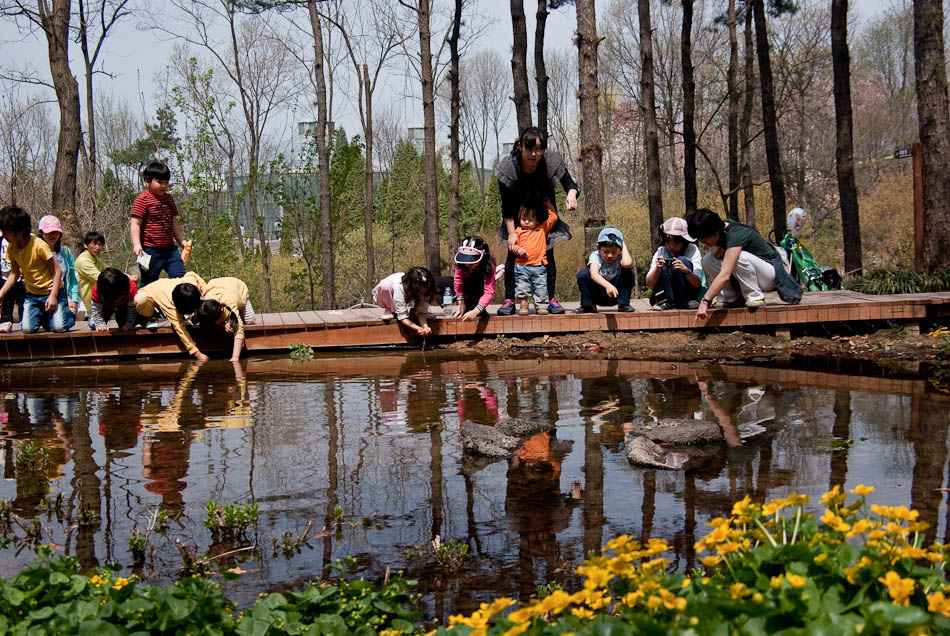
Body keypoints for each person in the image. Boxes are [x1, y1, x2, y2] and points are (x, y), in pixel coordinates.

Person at [495, 127, 577, 316]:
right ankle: (510, 299)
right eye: (529, 148)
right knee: (512, 255)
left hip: (543, 214)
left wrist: (571, 195)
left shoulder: (550, 161)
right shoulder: (508, 167)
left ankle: (549, 299)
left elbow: (570, 185)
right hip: (517, 216)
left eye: (539, 149)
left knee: (547, 254)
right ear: (520, 146)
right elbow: (506, 206)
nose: (534, 153)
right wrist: (511, 233)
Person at [687, 208, 802, 322]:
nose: (702, 241)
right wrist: (714, 247)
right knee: (707, 259)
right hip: (751, 273)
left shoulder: (736, 234)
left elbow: (725, 274)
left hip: (771, 274)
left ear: (716, 231)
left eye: (704, 237)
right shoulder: (722, 227)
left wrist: (705, 301)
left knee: (739, 257)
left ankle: (754, 296)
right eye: (699, 238)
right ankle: (728, 297)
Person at [0, 206, 73, 334]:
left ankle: (69, 315)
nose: (4, 235)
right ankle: (45, 316)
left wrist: (53, 296)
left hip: (52, 290)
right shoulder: (11, 248)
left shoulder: (38, 245)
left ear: (20, 230)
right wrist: (1, 293)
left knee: (58, 328)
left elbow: (58, 271)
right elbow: (14, 274)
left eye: (7, 232)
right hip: (32, 294)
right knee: (28, 329)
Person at [130, 161, 187, 287]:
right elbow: (135, 224)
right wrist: (137, 244)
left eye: (166, 182)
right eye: (159, 182)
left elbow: (173, 222)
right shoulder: (142, 200)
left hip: (170, 249)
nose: (163, 186)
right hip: (150, 250)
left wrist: (181, 241)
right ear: (147, 181)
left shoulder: (169, 199)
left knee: (181, 278)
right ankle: (143, 305)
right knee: (148, 282)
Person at [134, 271, 210, 360]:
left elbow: (191, 274)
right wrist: (197, 354)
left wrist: (205, 290)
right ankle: (149, 317)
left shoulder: (190, 283)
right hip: (147, 299)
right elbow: (181, 330)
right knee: (141, 299)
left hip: (172, 294)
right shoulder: (170, 306)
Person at [512, 195, 559, 315]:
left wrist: (548, 205)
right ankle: (523, 305)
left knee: (541, 287)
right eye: (523, 219)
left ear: (537, 220)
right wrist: (518, 249)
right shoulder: (517, 231)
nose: (526, 222)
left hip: (539, 265)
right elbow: (511, 245)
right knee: (522, 287)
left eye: (530, 219)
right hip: (522, 266)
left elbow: (553, 218)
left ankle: (541, 306)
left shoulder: (542, 228)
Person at [644, 217, 703, 310]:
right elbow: (649, 283)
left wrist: (686, 271)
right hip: (664, 294)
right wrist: (658, 269)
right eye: (668, 242)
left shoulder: (693, 250)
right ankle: (664, 301)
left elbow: (697, 283)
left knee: (683, 260)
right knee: (664, 267)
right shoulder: (661, 251)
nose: (672, 246)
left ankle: (687, 300)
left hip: (687, 294)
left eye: (676, 242)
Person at [194, 276, 256, 361]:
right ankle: (228, 319)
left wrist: (235, 357)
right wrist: (224, 324)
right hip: (218, 285)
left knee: (250, 320)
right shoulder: (206, 304)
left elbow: (239, 331)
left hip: (238, 289)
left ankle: (237, 313)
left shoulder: (230, 305)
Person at [575, 225, 635, 313]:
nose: (609, 255)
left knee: (629, 271)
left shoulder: (621, 257)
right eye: (605, 252)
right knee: (583, 274)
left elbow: (627, 263)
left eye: (614, 252)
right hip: (599, 295)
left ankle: (623, 304)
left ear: (620, 249)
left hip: (616, 294)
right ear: (598, 248)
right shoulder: (595, 255)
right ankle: (588, 305)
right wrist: (608, 286)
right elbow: (594, 274)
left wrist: (623, 243)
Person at [372, 266, 437, 337]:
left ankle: (412, 311)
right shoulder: (399, 287)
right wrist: (417, 328)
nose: (422, 294)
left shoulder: (426, 289)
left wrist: (425, 327)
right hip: (384, 295)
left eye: (424, 292)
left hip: (405, 294)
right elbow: (402, 317)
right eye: (419, 292)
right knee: (385, 287)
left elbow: (421, 312)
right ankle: (390, 309)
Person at [37, 215, 80, 319]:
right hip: (40, 295)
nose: (53, 235)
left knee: (59, 327)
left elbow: (72, 277)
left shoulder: (65, 252)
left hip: (61, 296)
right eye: (48, 232)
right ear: (41, 233)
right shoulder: (35, 251)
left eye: (55, 232)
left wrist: (74, 299)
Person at [451, 236, 497, 322]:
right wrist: (461, 303)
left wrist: (476, 311)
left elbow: (489, 292)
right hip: (466, 291)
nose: (467, 264)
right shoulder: (461, 265)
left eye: (472, 262)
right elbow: (458, 282)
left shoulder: (489, 266)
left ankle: (478, 309)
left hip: (479, 290)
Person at [89, 267, 138, 331]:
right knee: (93, 325)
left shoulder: (131, 288)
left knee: (123, 325)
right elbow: (96, 308)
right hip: (105, 307)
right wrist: (100, 324)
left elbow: (132, 308)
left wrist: (129, 323)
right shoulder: (98, 289)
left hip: (124, 308)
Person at [75, 231, 106, 317]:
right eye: (94, 244)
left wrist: (128, 277)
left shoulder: (97, 260)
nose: (97, 247)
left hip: (93, 307)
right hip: (85, 310)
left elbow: (110, 271)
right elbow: (100, 278)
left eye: (100, 245)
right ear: (85, 245)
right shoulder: (83, 261)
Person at [0, 230, 25, 333]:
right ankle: (6, 320)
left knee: (22, 301)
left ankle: (25, 320)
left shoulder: (24, 240)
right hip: (5, 276)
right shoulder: (1, 240)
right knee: (7, 300)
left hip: (22, 278)